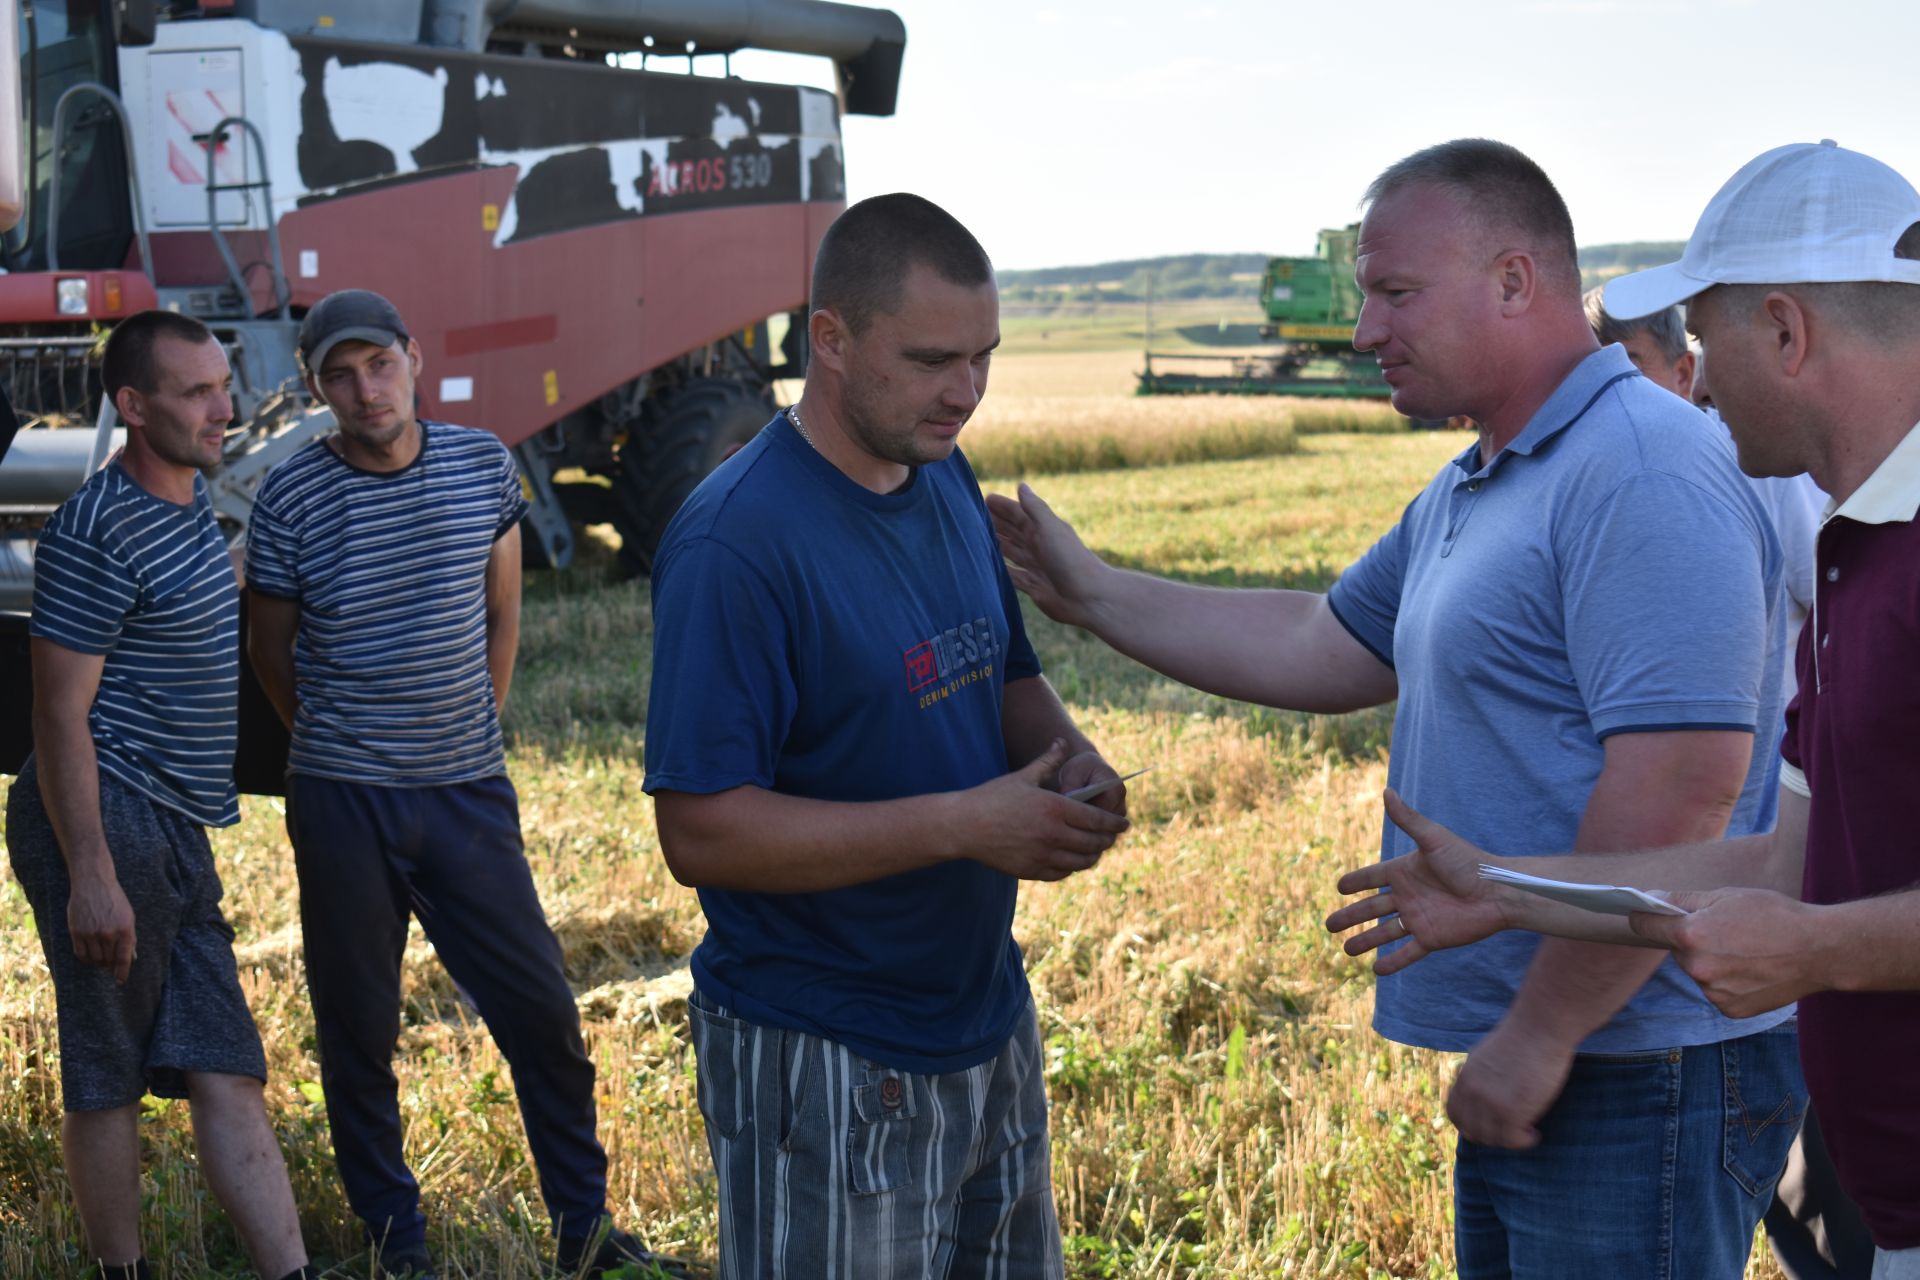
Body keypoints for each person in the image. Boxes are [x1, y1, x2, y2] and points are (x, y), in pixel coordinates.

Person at [991, 139, 1799, 1277]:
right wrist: (1093, 591)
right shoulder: (1485, 476)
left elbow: (1682, 788)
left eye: (1396, 292)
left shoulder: (1640, 467)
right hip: (1569, 1053)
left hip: (1636, 1060)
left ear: (1517, 281)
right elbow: (1323, 640)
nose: (1367, 328)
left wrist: (1541, 1031)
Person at [1327, 138, 1920, 1280]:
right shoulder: (1852, 555)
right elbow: (1784, 864)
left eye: (1702, 337)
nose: (1688, 374)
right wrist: (1508, 889)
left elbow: (1800, 908)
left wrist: (1817, 949)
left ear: (1787, 332)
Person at [643, 192, 1129, 1279]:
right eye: (931, 359)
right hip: (826, 1049)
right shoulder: (737, 543)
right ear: (830, 338)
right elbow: (703, 833)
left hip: (983, 1013)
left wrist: (1073, 761)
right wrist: (968, 824)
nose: (966, 391)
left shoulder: (943, 469)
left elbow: (999, 670)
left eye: (985, 356)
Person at [243, 290, 667, 1280]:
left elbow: (501, 613)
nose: (365, 390)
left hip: (466, 790)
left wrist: (470, 730)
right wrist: (334, 746)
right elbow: (270, 650)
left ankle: (586, 1230)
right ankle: (403, 1247)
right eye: (339, 376)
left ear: (413, 359)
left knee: (543, 1018)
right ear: (315, 388)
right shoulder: (293, 497)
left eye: (378, 365)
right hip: (344, 801)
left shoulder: (484, 465)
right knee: (359, 1033)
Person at [5, 310, 313, 1280]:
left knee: (227, 1061)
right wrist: (91, 873)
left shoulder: (185, 507)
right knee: (107, 1073)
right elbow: (57, 716)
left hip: (177, 822)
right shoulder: (93, 528)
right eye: (195, 392)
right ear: (132, 406)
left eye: (223, 385)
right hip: (103, 814)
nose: (223, 407)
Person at [1585, 285, 1826, 696]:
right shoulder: (1586, 482)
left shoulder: (1753, 462)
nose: (1603, 390)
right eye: (1588, 371)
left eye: (1627, 367)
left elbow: (1827, 600)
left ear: (1683, 374)